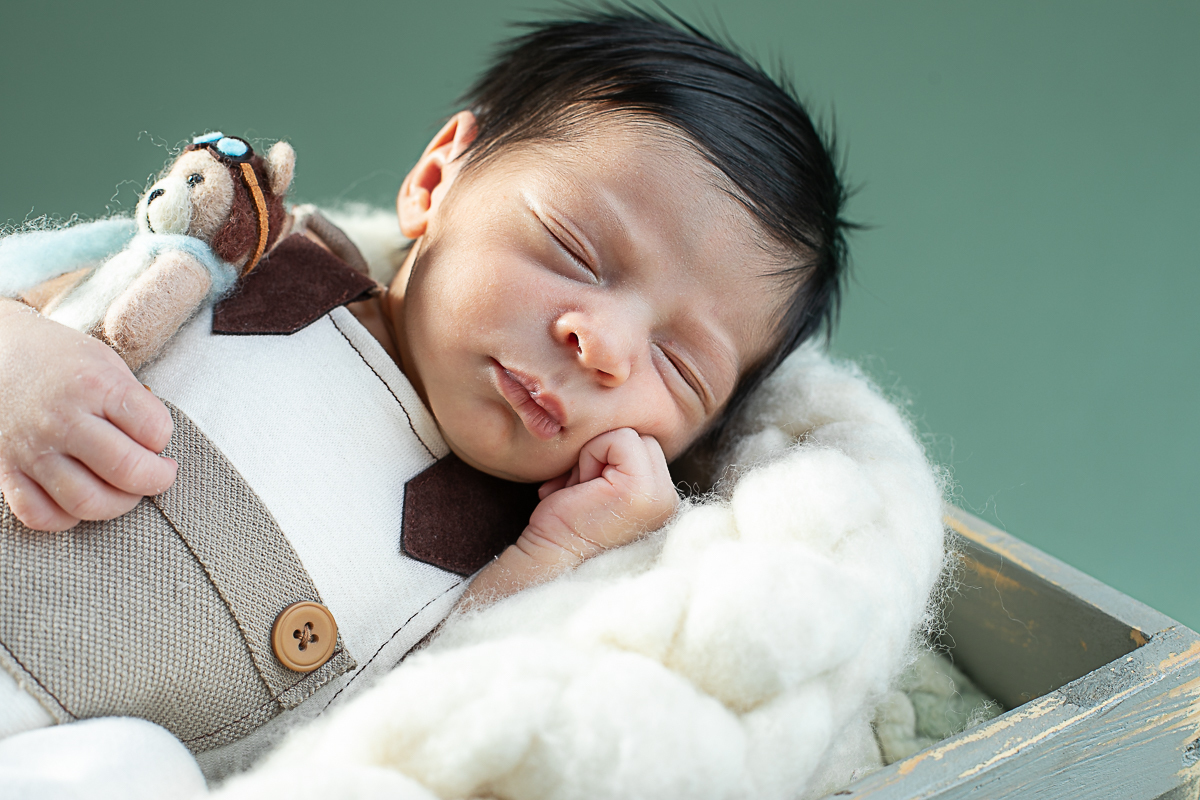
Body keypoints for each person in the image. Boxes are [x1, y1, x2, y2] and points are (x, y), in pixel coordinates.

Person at [0, 8, 852, 776]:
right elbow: (36, 281)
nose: (604, 348)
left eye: (678, 365)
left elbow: (421, 735)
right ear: (438, 180)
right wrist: (18, 361)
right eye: (575, 251)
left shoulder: (513, 554)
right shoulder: (245, 261)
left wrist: (553, 560)